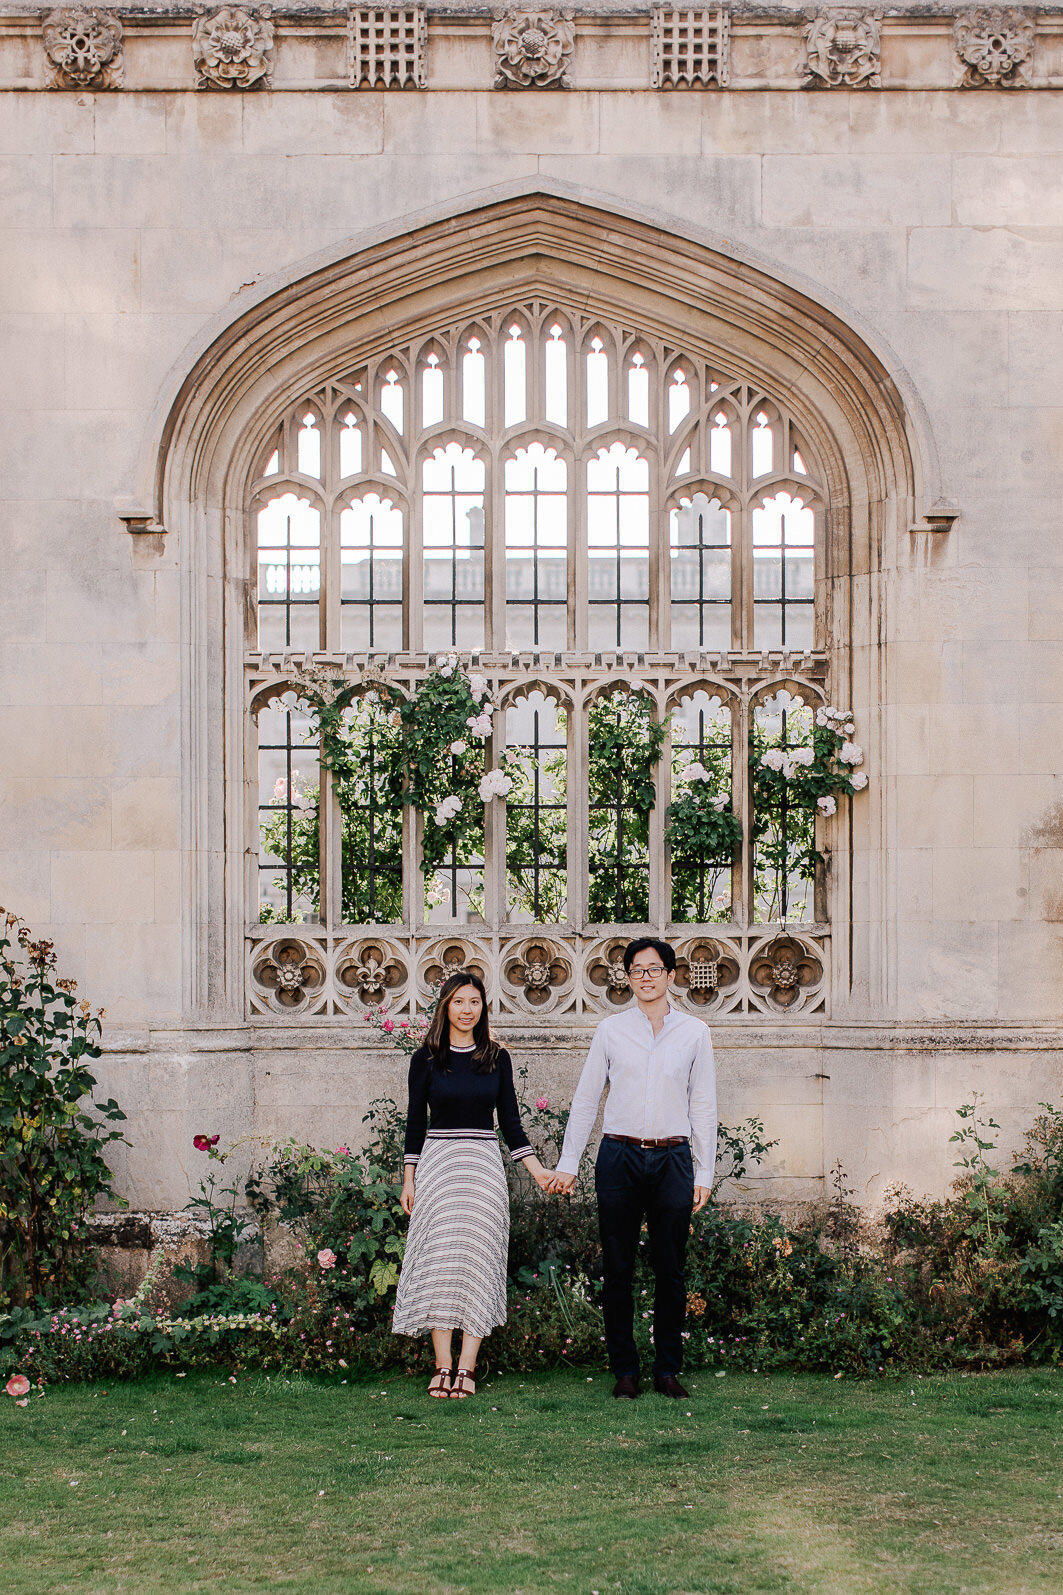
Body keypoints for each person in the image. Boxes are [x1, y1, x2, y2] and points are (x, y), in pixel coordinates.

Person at [547, 937, 716, 1400]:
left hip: (673, 1158)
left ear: (670, 975)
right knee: (618, 1268)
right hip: (619, 1156)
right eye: (637, 970)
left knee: (670, 1269)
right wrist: (568, 1163)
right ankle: (625, 1370)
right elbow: (586, 1100)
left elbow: (703, 1105)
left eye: (654, 969)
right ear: (627, 978)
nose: (645, 977)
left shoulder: (694, 1033)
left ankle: (666, 1369)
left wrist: (704, 1172)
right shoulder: (610, 1031)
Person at [392, 970, 552, 1399]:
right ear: (446, 1006)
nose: (467, 1009)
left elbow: (512, 1126)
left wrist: (538, 1172)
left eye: (475, 1002)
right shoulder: (425, 1059)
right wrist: (408, 1180)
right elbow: (414, 1124)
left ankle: (467, 1367)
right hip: (439, 1166)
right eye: (459, 1001)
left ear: (483, 1008)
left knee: (478, 1260)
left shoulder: (496, 1058)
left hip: (482, 1168)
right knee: (441, 1262)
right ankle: (442, 1364)